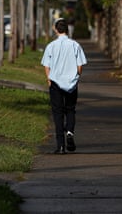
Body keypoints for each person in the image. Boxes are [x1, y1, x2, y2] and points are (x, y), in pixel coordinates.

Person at [41, 18, 87, 154]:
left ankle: (60, 146)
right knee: (70, 110)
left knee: (58, 113)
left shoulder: (51, 46)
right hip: (71, 83)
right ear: (67, 29)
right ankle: (70, 132)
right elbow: (80, 65)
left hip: (55, 83)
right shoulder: (75, 45)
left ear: (55, 30)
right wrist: (76, 77)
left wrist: (49, 79)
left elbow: (46, 65)